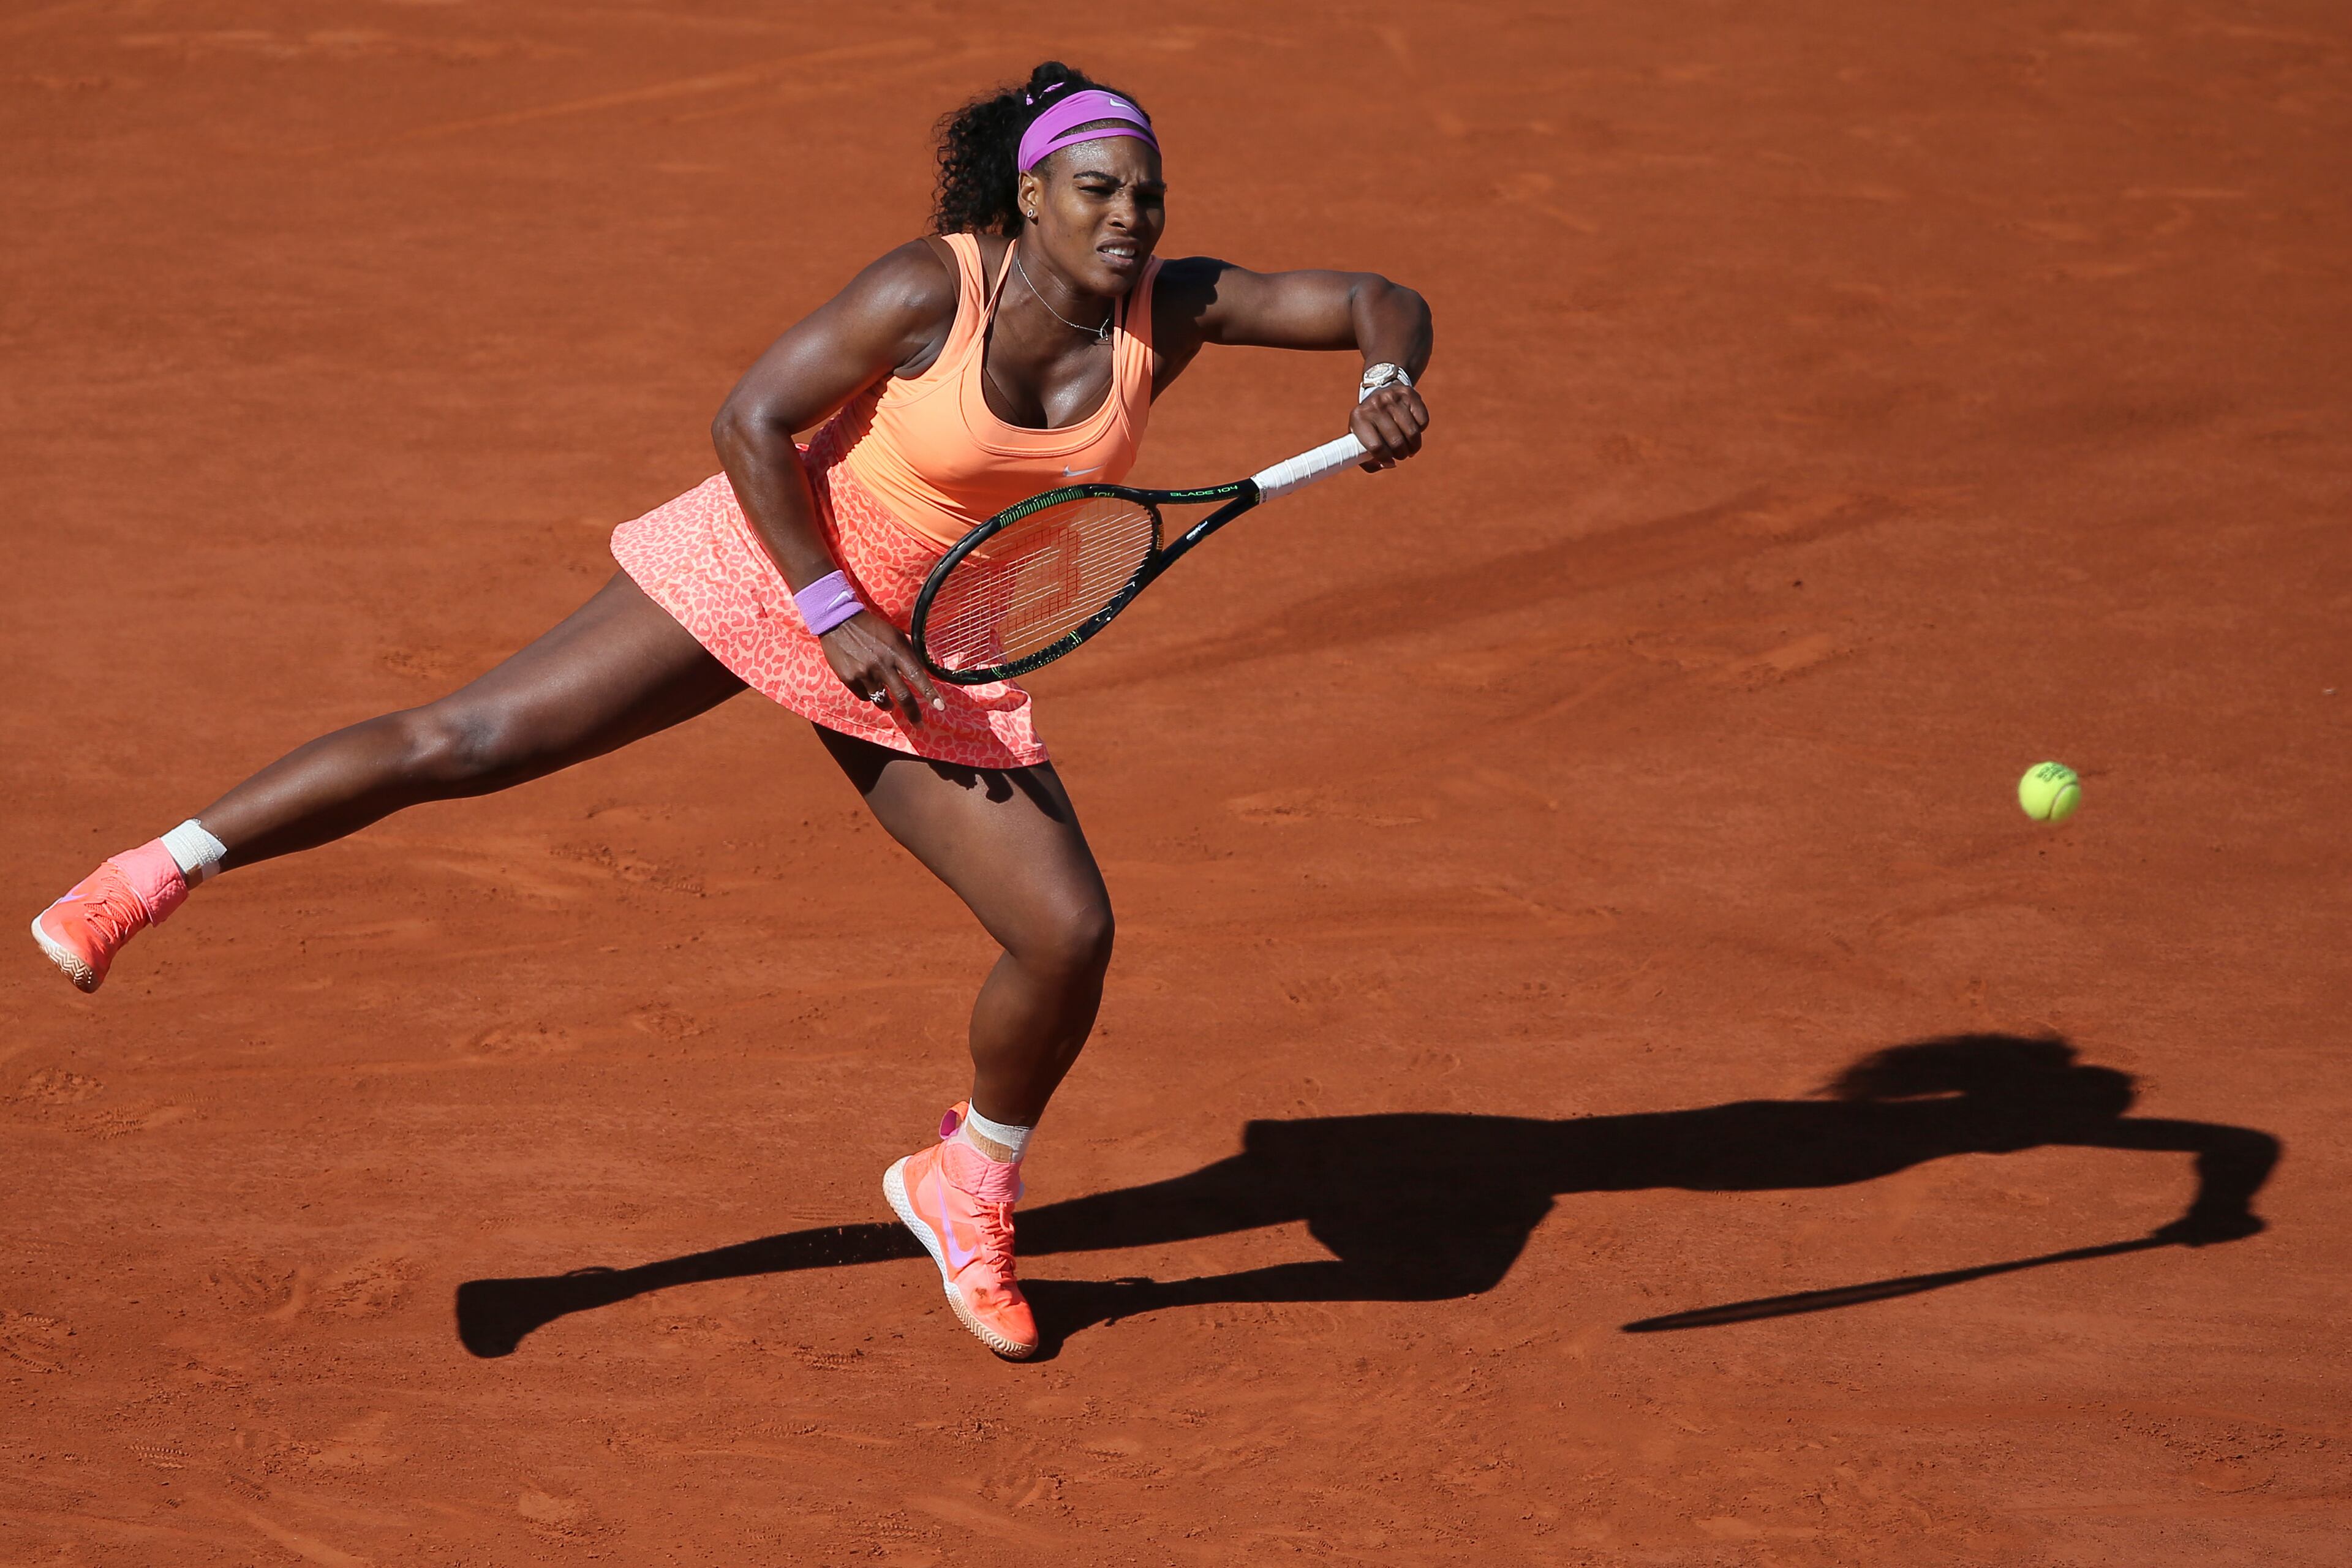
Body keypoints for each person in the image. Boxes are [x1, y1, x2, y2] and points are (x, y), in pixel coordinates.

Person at [29, 61, 1433, 1360]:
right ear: (1030, 193)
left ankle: (968, 1179)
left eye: (1147, 195)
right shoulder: (927, 289)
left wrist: (1385, 375)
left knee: (1068, 931)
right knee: (470, 741)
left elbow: (1381, 296)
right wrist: (831, 607)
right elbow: (749, 419)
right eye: (1099, 188)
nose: (1129, 216)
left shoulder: (1172, 308)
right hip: (778, 565)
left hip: (932, 646)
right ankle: (152, 872)